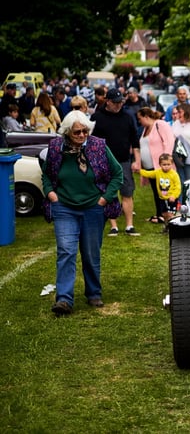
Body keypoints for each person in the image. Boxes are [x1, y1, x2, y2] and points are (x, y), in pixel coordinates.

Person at [42, 110, 124, 315]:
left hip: (93, 208)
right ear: (67, 132)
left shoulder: (98, 146)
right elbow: (46, 175)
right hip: (64, 207)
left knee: (90, 253)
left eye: (85, 131)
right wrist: (51, 194)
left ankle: (94, 293)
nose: (81, 135)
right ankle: (64, 299)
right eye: (77, 132)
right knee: (66, 251)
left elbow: (117, 174)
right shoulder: (55, 147)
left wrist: (104, 199)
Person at [91, 88, 141, 237]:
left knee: (127, 192)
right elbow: (91, 141)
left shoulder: (127, 117)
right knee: (109, 193)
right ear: (108, 101)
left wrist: (137, 160)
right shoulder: (97, 117)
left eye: (121, 102)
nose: (119, 105)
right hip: (104, 162)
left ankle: (129, 225)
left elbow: (135, 140)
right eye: (115, 102)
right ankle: (113, 225)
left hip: (124, 160)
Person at [137, 107, 175, 225]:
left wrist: (166, 161)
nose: (139, 121)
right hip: (150, 167)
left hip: (161, 166)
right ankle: (160, 214)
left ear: (146, 116)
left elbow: (169, 141)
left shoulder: (160, 124)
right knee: (156, 190)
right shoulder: (145, 129)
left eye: (140, 118)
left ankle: (167, 215)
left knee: (164, 190)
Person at [139, 153, 181, 227]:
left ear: (172, 164)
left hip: (171, 198)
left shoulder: (174, 174)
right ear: (160, 164)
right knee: (164, 214)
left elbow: (178, 187)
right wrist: (140, 171)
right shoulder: (158, 172)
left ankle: (172, 227)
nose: (166, 167)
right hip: (162, 198)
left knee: (170, 214)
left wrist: (174, 196)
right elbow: (149, 174)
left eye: (168, 164)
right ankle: (166, 226)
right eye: (164, 165)